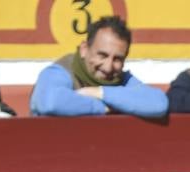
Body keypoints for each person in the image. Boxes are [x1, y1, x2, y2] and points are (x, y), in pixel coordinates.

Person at [29, 16, 167, 118]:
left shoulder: (122, 79)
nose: (108, 67)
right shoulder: (61, 70)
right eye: (102, 55)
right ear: (84, 49)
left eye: (117, 59)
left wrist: (98, 92)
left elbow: (159, 103)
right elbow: (50, 102)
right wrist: (104, 108)